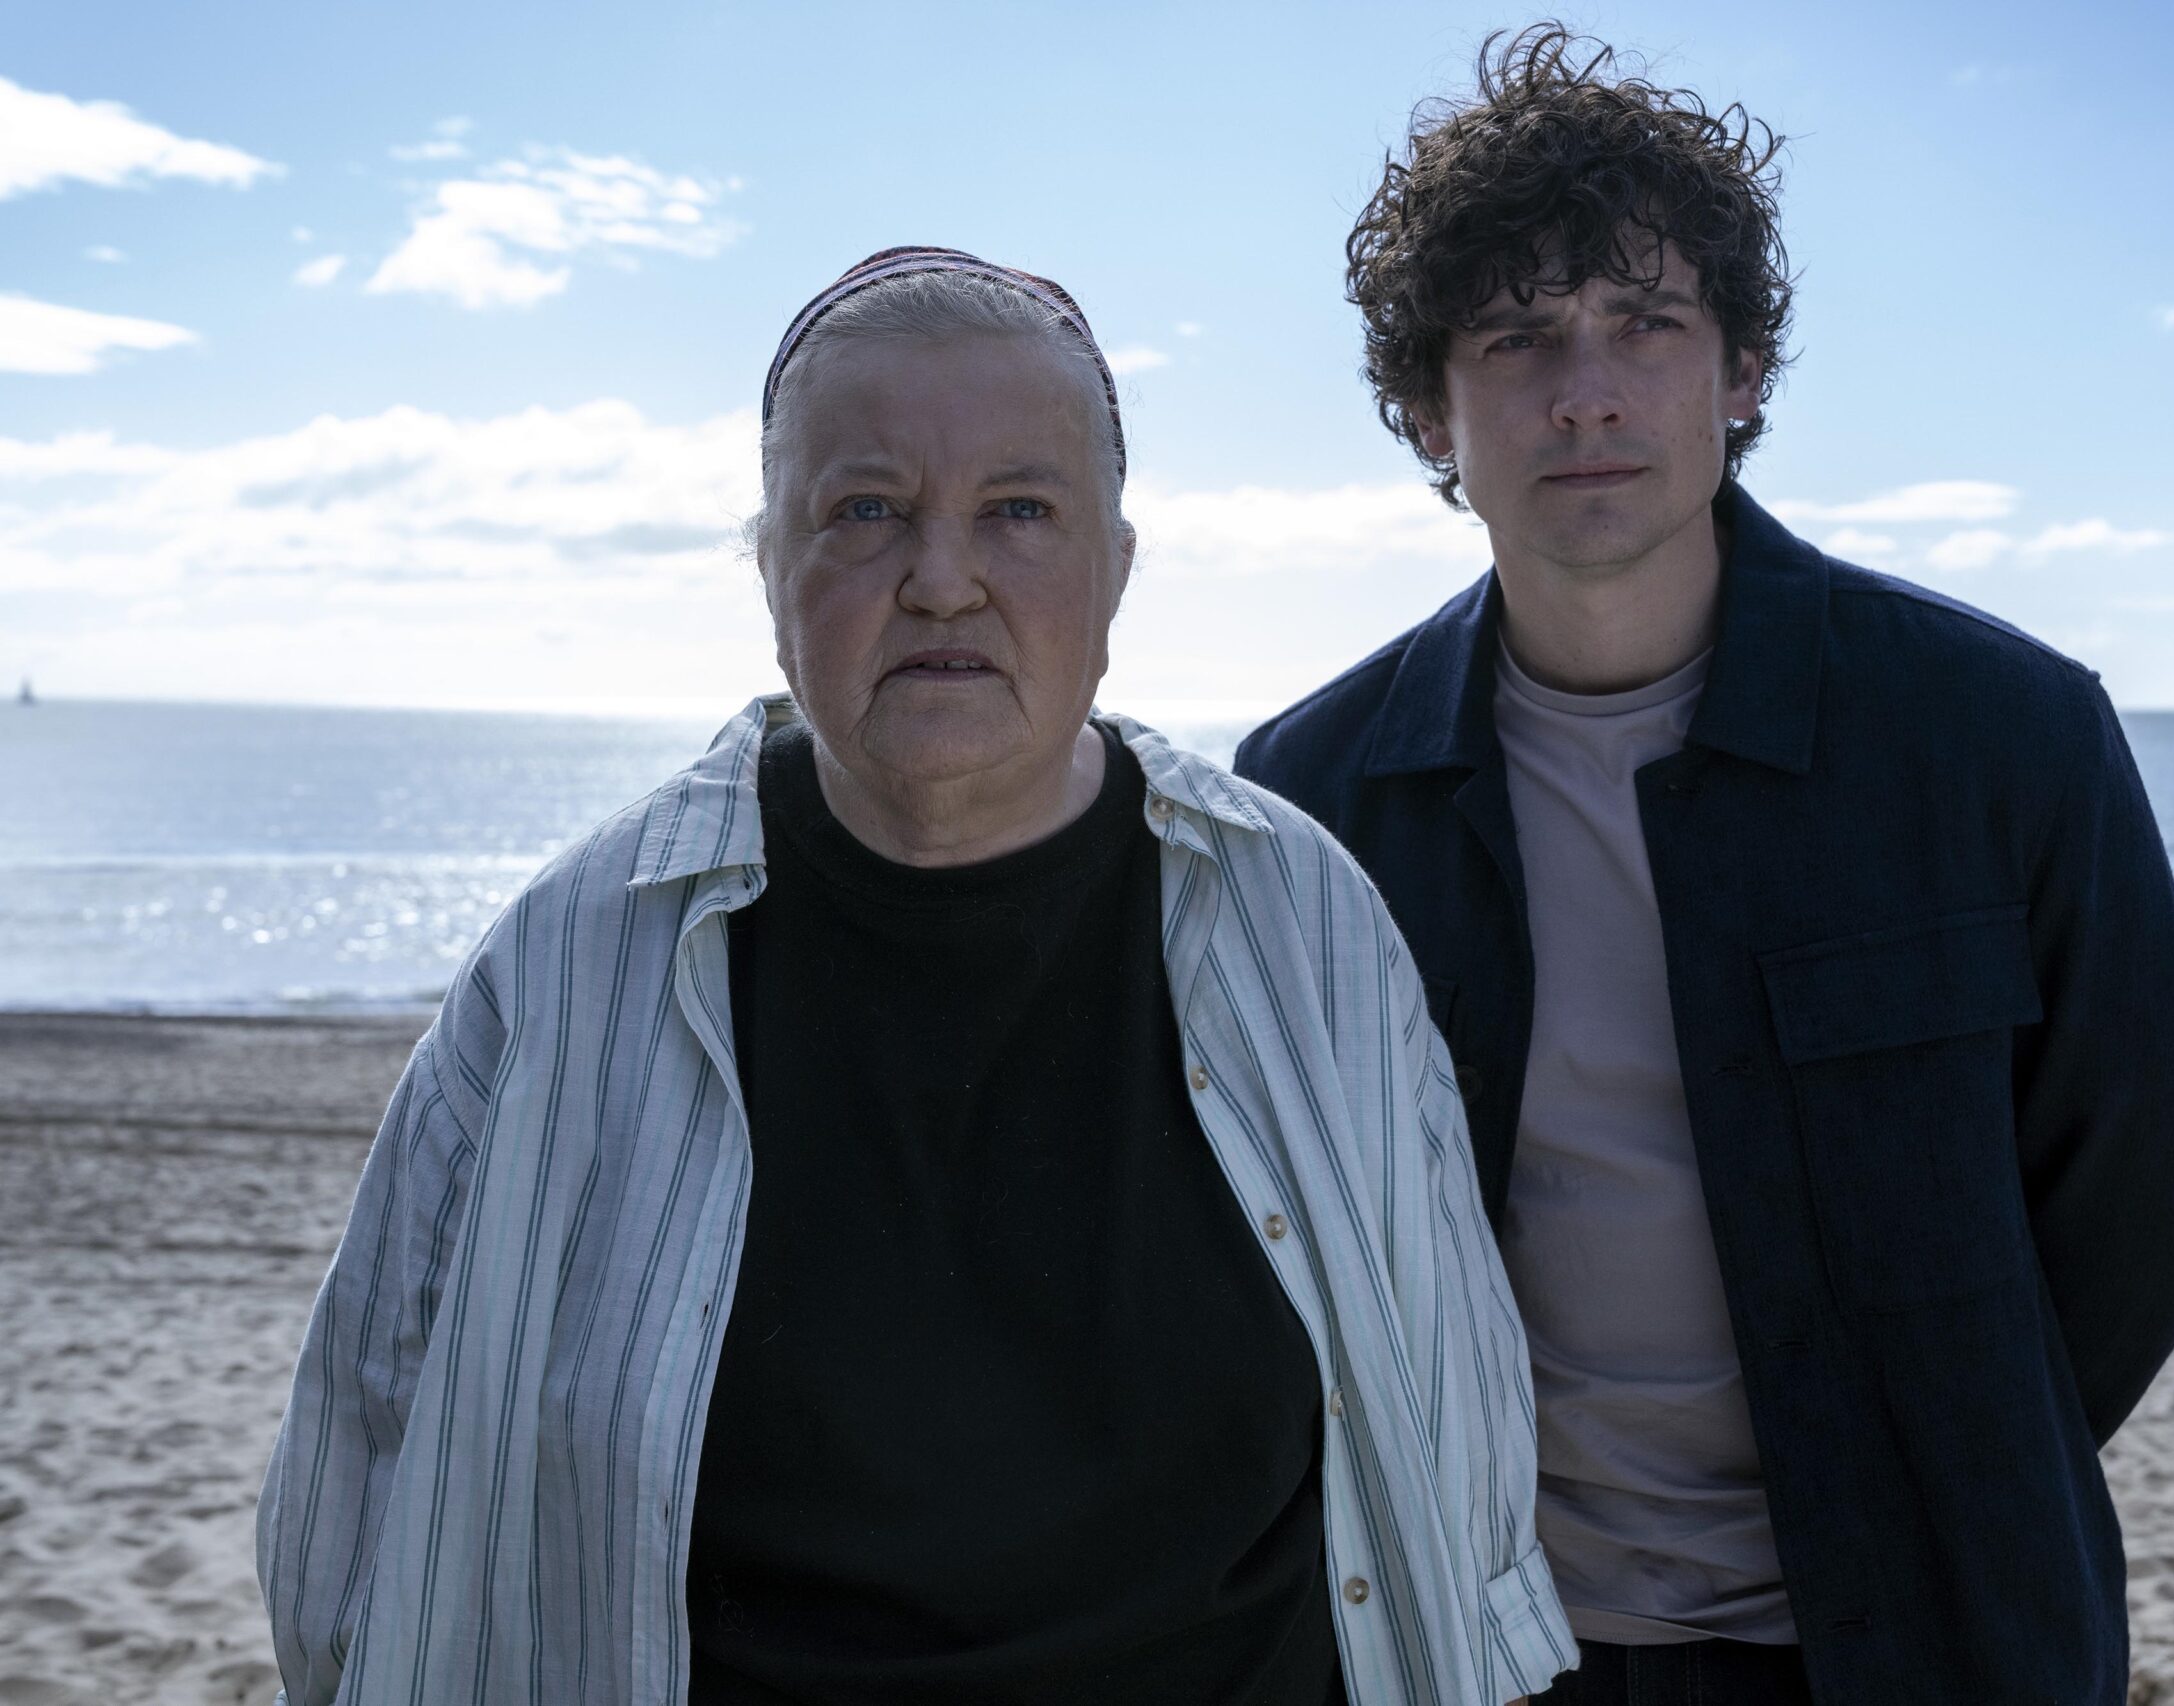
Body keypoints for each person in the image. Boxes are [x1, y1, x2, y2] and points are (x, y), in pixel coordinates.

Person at [258, 246, 1575, 1706]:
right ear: (771, 565)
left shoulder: (1301, 917)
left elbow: (1458, 1447)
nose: (943, 578)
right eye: (866, 510)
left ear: (1115, 569)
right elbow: (358, 1492)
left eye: (1019, 510)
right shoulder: (575, 958)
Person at [1235, 29, 2174, 1706]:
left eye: (1647, 323)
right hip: (1478, 1651)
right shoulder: (1311, 802)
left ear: (1744, 368)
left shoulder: (2007, 736)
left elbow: (2151, 1204)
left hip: (1928, 1640)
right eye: (1519, 338)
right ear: (1431, 406)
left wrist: (1946, 1465)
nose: (1588, 391)